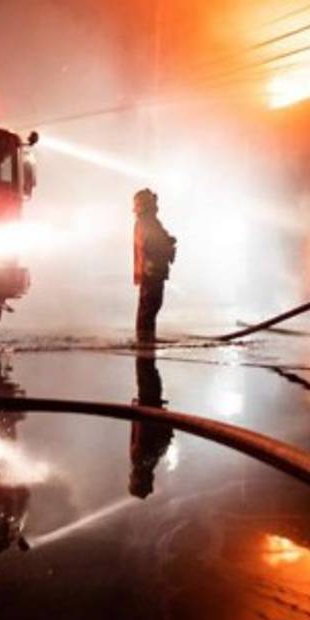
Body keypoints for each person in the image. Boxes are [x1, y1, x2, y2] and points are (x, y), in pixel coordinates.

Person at [133, 189, 176, 343]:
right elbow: (149, 244)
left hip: (152, 270)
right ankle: (144, 339)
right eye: (152, 201)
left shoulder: (149, 221)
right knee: (149, 307)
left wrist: (167, 240)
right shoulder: (146, 222)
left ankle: (146, 338)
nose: (155, 204)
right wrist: (166, 244)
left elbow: (156, 239)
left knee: (150, 306)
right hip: (151, 271)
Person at [128, 354, 173, 499]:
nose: (129, 477)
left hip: (152, 401)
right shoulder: (140, 460)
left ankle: (146, 340)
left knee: (147, 365)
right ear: (139, 481)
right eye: (132, 481)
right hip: (148, 400)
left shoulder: (151, 461)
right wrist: (136, 409)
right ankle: (146, 340)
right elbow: (139, 430)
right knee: (144, 362)